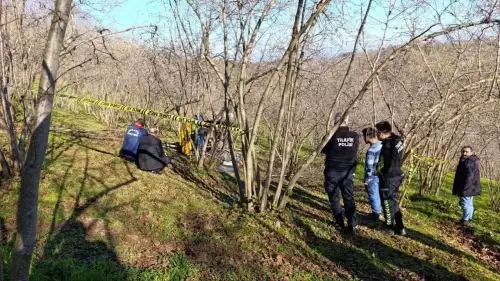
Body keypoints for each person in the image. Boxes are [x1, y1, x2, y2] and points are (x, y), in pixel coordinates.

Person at [321, 113, 359, 234]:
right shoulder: (355, 136)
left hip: (332, 172)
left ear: (334, 122)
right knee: (349, 197)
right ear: (347, 121)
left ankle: (339, 223)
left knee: (334, 198)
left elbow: (323, 149)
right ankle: (353, 224)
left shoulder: (330, 136)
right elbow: (354, 151)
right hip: (348, 173)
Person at [374, 121, 406, 235]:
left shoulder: (387, 145)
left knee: (387, 200)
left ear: (382, 133)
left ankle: (388, 227)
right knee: (393, 200)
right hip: (398, 174)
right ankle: (400, 226)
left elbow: (385, 162)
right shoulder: (398, 139)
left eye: (377, 133)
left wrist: (382, 173)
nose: (376, 135)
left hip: (391, 176)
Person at [452, 146, 481, 226]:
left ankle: (465, 220)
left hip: (467, 187)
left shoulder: (468, 162)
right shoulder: (468, 160)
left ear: (471, 153)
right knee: (469, 203)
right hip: (471, 187)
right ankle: (468, 218)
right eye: (463, 151)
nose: (464, 153)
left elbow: (469, 176)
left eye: (466, 152)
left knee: (465, 203)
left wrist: (465, 188)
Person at [362, 127, 383, 220]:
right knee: (379, 194)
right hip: (382, 175)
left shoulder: (372, 150)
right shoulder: (382, 145)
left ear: (367, 136)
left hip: (373, 176)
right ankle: (379, 211)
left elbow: (369, 167)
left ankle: (376, 214)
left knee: (373, 194)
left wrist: (367, 178)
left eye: (364, 136)